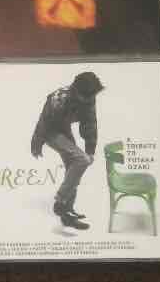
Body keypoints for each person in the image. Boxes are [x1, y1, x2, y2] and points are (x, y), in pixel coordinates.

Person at [31, 71, 105, 230]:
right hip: (50, 131)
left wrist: (90, 150)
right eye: (84, 97)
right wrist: (36, 144)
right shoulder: (58, 98)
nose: (88, 101)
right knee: (82, 160)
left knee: (74, 168)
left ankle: (67, 213)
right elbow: (43, 122)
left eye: (90, 97)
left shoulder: (89, 97)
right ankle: (60, 201)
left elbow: (90, 124)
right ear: (75, 90)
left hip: (64, 129)